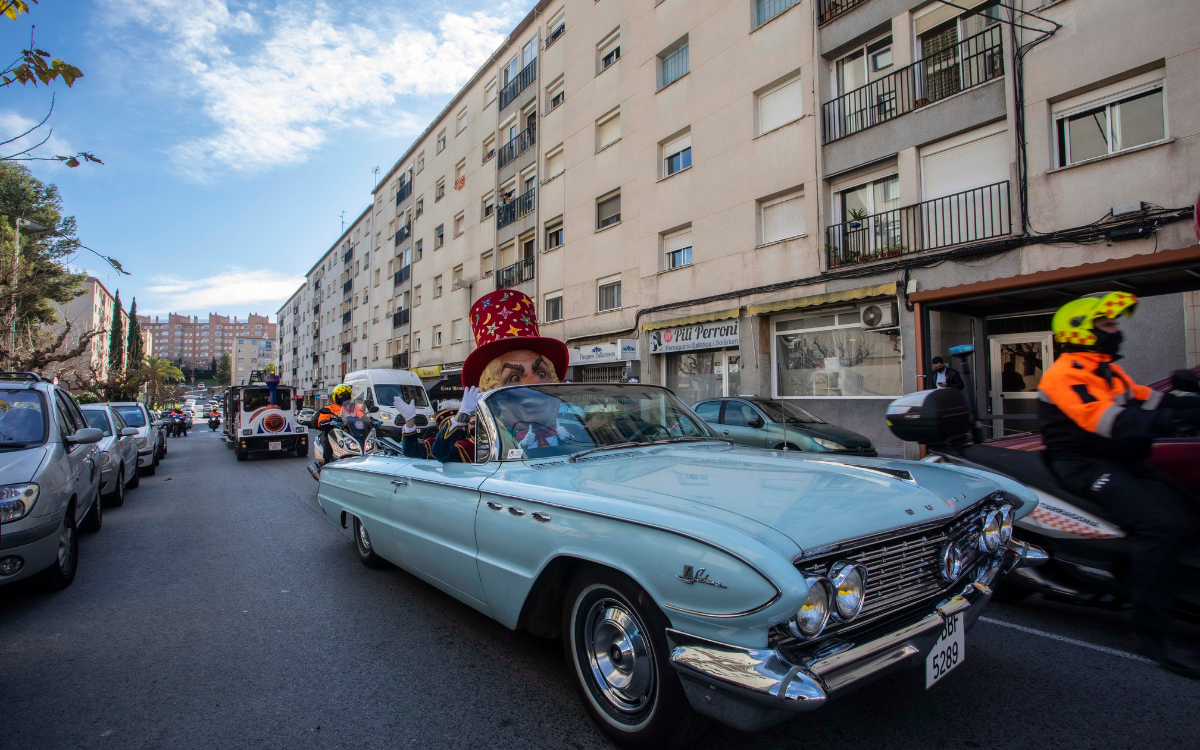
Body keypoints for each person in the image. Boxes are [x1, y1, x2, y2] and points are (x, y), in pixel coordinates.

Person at [1038, 291, 1200, 679]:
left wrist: (1184, 406)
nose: (1116, 332)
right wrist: (1172, 423)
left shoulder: (1107, 370)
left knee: (1189, 514)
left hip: (1124, 460)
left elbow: (1148, 400)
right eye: (1108, 325)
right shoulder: (1066, 373)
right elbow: (1108, 420)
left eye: (1114, 325)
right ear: (1081, 332)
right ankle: (1152, 633)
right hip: (1083, 464)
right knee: (1158, 526)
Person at [394, 289, 569, 463]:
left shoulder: (572, 437)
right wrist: (412, 422)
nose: (535, 383)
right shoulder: (481, 448)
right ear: (491, 393)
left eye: (541, 373)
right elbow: (438, 452)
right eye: (515, 378)